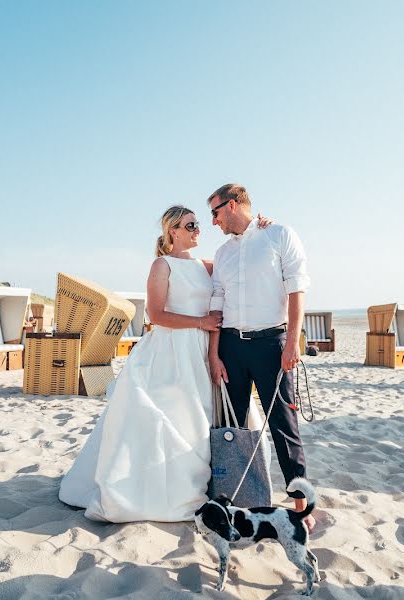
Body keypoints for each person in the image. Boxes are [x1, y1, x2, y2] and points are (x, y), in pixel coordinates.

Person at [58, 205, 270, 522]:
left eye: (198, 224)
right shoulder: (162, 265)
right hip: (170, 351)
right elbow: (156, 316)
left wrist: (258, 229)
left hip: (201, 351)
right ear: (173, 230)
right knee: (173, 416)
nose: (199, 229)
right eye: (191, 225)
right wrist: (200, 322)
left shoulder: (208, 266)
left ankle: (224, 485)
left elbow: (240, 273)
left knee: (205, 419)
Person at [206, 183, 315, 532]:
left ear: (233, 205)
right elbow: (217, 304)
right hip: (231, 348)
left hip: (272, 344)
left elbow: (297, 290)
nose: (213, 221)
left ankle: (300, 506)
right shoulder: (222, 253)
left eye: (216, 213)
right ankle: (236, 500)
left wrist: (292, 343)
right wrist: (214, 354)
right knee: (233, 426)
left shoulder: (279, 235)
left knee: (284, 424)